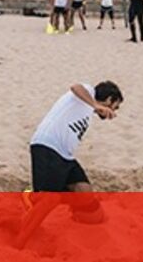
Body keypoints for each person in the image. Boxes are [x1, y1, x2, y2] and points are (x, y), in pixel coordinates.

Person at [25, 80, 124, 227]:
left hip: (66, 156)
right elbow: (75, 87)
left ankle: (37, 197)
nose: (114, 111)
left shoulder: (87, 109)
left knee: (84, 192)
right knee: (48, 200)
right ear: (110, 99)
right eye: (116, 106)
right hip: (48, 146)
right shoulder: (89, 92)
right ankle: (24, 228)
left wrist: (94, 107)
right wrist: (96, 105)